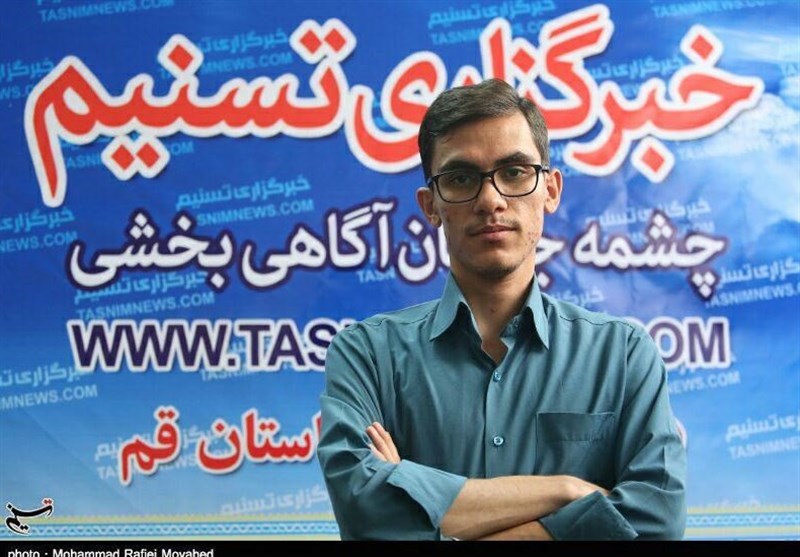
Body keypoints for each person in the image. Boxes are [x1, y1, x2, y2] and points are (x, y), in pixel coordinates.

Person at [316, 78, 687, 541]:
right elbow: (366, 513)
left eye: (514, 172)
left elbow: (655, 521)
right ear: (430, 206)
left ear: (550, 190)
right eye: (460, 178)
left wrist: (421, 497)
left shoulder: (623, 355)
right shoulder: (368, 355)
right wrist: (568, 492)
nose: (490, 199)